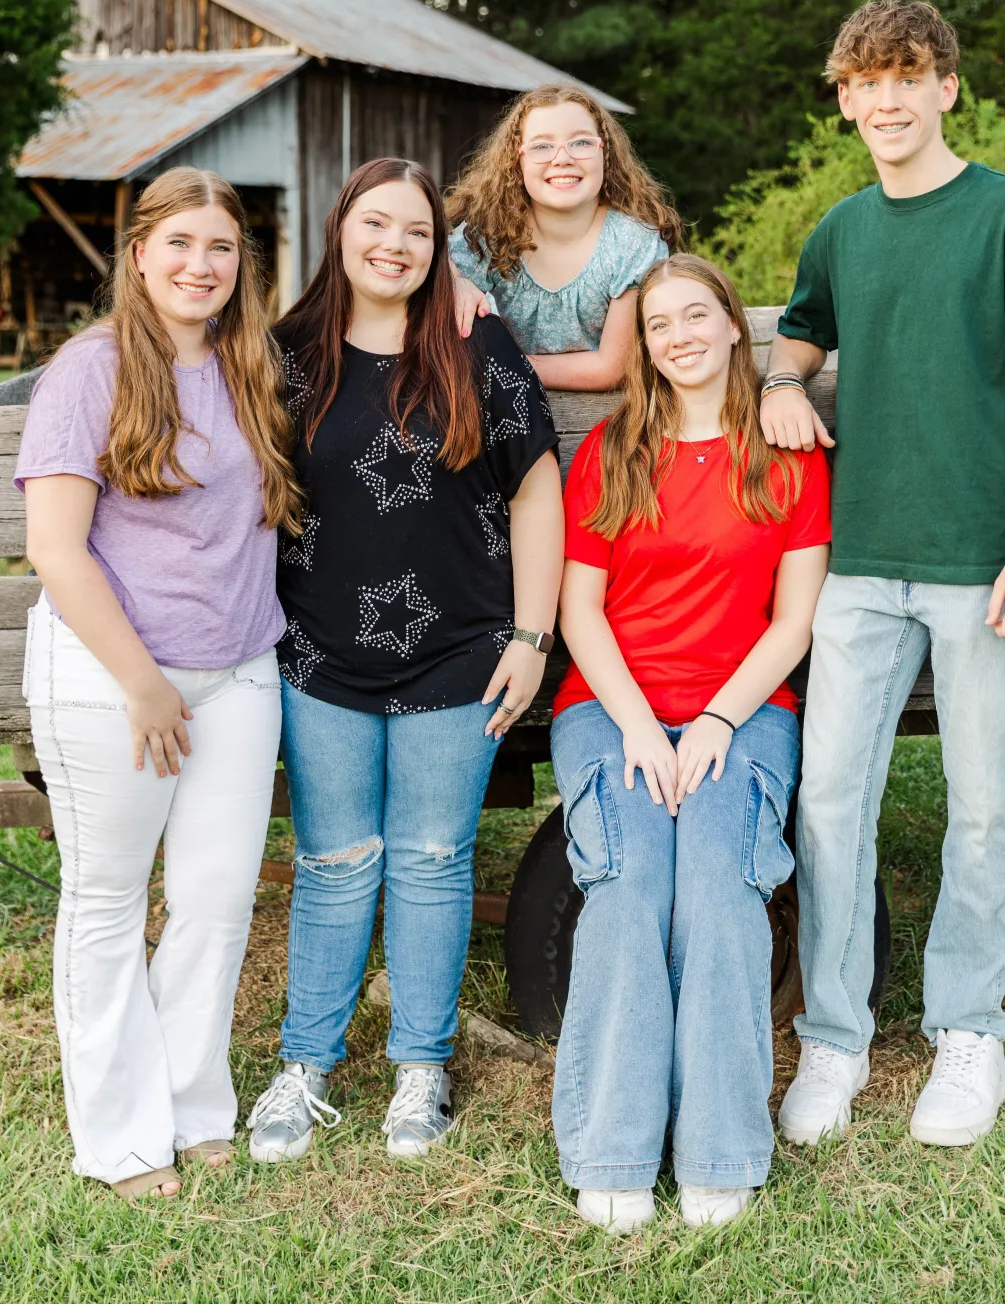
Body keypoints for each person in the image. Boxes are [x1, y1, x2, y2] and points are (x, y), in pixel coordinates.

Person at [765, 0, 1005, 1149]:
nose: (887, 99)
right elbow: (801, 331)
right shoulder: (842, 230)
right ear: (845, 100)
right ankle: (834, 1039)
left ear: (947, 87)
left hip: (984, 564)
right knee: (828, 802)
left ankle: (967, 1031)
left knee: (986, 808)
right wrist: (779, 382)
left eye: (909, 77)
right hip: (857, 568)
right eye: (867, 82)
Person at [246, 158, 564, 1164]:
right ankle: (306, 1063)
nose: (395, 245)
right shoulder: (286, 357)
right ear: (339, 229)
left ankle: (421, 1068)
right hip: (320, 653)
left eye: (418, 232)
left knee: (432, 860)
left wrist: (532, 637)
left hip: (460, 653)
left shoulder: (475, 345)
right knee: (334, 862)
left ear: (440, 250)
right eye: (376, 224)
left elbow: (536, 489)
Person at [16, 168, 301, 1200]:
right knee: (106, 901)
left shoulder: (249, 363)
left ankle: (190, 1105)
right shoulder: (90, 369)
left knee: (216, 902)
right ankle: (120, 1138)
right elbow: (54, 548)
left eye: (220, 247)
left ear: (241, 265)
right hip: (116, 676)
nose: (200, 264)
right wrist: (142, 685)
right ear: (138, 256)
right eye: (179, 243)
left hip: (240, 673)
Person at [552, 253, 831, 1233]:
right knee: (631, 885)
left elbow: (792, 624)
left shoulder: (786, 455)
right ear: (645, 345)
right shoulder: (613, 451)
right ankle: (612, 1148)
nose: (679, 336)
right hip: (611, 705)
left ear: (732, 324)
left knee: (718, 888)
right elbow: (580, 612)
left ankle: (718, 1148)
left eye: (696, 315)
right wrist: (639, 725)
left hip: (744, 709)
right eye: (659, 323)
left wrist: (714, 721)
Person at [446, 83, 683, 389]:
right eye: (542, 146)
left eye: (581, 143)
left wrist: (501, 364)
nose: (562, 159)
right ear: (516, 160)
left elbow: (612, 367)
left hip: (606, 414)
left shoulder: (631, 241)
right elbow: (429, 264)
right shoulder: (490, 232)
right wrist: (454, 279)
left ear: (605, 153)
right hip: (502, 413)